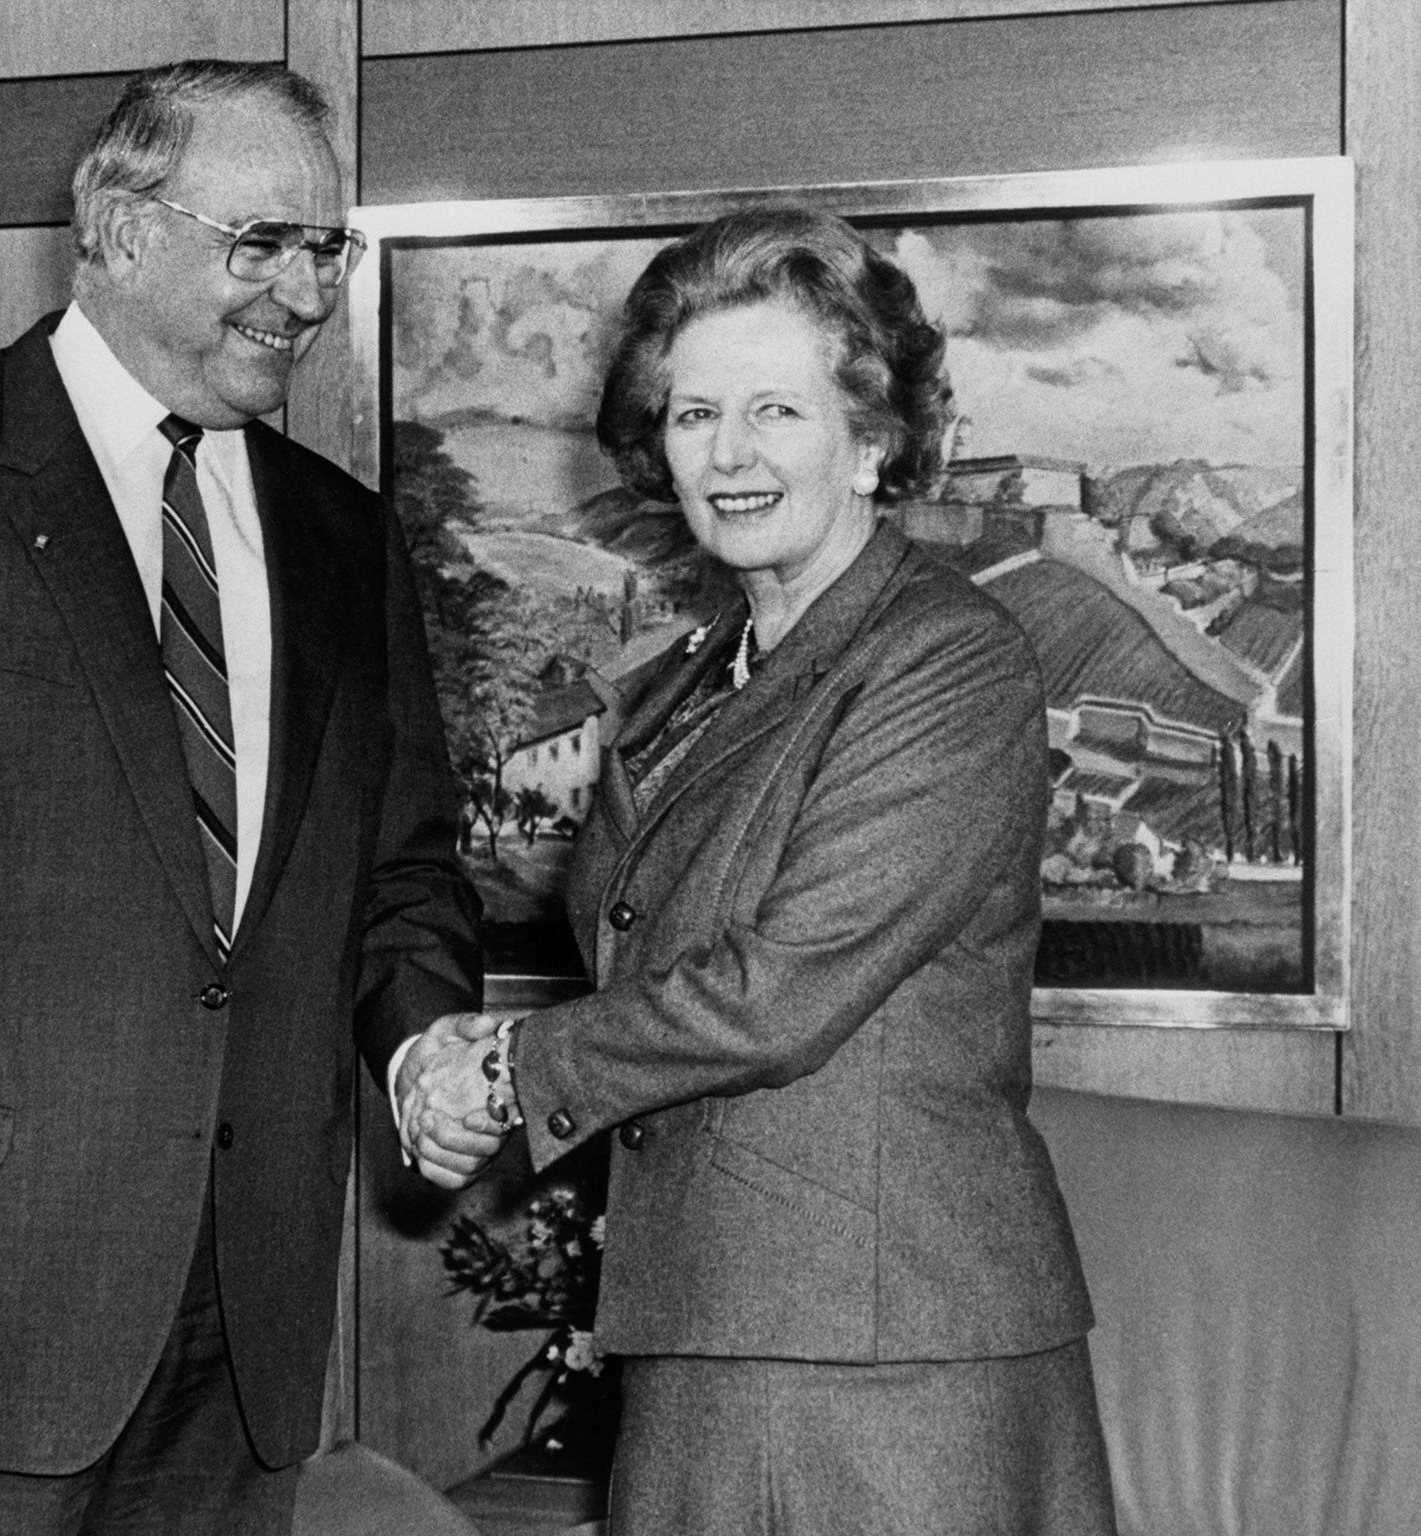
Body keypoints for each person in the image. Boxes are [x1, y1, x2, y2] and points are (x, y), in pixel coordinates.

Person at [0, 59, 493, 1536]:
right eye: (264, 244)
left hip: (242, 1325)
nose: (307, 296)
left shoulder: (344, 535)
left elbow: (403, 874)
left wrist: (422, 1040)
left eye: (328, 248)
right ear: (117, 229)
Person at [401, 207, 1117, 1534]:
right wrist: (482, 1072)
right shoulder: (682, 681)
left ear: (873, 439)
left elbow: (781, 989)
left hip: (886, 1357)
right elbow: (639, 951)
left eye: (775, 412)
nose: (725, 453)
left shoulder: (945, 659)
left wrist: (503, 1070)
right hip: (710, 1321)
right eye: (690, 415)